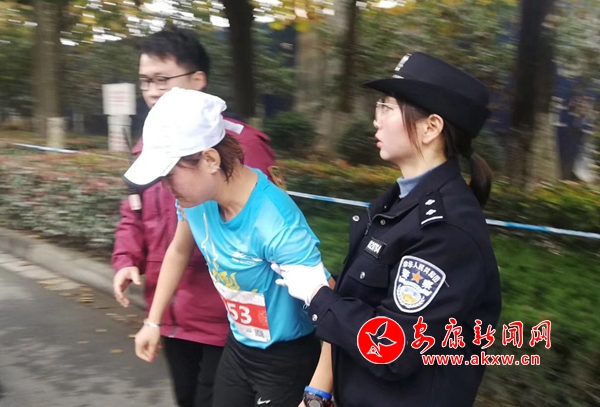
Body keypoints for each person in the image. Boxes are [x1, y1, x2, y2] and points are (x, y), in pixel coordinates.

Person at [275, 52, 503, 407]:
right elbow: (362, 303)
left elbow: (394, 348)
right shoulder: (397, 203)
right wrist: (318, 394)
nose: (376, 120)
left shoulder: (445, 229)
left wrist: (319, 297)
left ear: (431, 128)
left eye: (387, 107)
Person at [125, 88, 336, 407]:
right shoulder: (196, 200)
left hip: (287, 359)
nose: (165, 187)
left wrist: (317, 395)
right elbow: (178, 251)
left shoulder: (275, 223)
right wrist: (153, 322)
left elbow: (332, 310)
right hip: (238, 347)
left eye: (169, 174)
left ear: (210, 159)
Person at [111, 27, 276, 407]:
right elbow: (134, 210)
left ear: (198, 80)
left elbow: (266, 235)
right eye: (145, 81)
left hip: (228, 320)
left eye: (162, 80)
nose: (152, 91)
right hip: (172, 312)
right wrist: (126, 258)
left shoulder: (242, 145)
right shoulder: (150, 144)